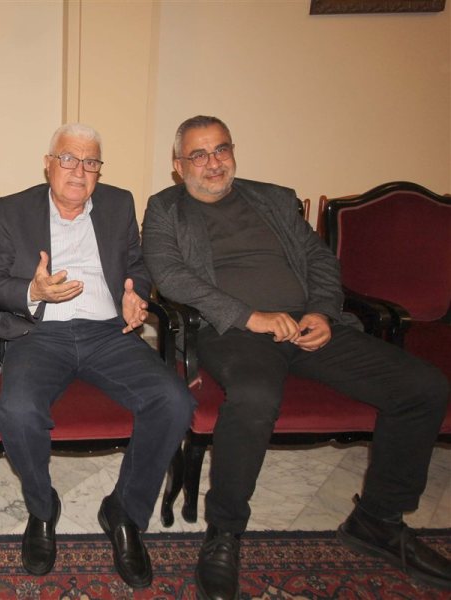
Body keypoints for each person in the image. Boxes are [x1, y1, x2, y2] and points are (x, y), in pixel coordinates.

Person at [143, 115, 451, 599]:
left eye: (221, 149)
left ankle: (378, 520)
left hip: (307, 325)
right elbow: (172, 276)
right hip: (235, 331)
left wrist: (322, 312)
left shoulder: (274, 198)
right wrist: (251, 317)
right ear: (178, 166)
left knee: (423, 387)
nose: (213, 162)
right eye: (198, 155)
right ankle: (225, 531)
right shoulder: (165, 208)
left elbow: (320, 260)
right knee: (254, 395)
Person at [0, 123, 194, 589]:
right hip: (39, 333)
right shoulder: (13, 209)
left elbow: (135, 266)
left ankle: (124, 512)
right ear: (48, 164)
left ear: (99, 170)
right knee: (16, 411)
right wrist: (32, 290)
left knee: (174, 401)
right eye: (68, 159)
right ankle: (42, 508)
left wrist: (136, 294)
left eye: (90, 162)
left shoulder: (119, 204)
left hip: (107, 333)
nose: (79, 170)